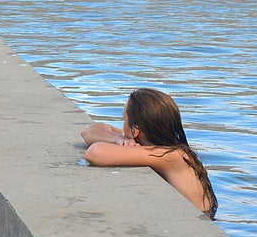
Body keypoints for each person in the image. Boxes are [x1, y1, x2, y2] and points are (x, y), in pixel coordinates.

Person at [80, 88, 218, 219]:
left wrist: (121, 140)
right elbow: (89, 131)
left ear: (136, 131)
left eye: (124, 119)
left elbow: (95, 152)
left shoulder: (170, 155)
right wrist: (118, 138)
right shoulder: (165, 145)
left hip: (202, 219)